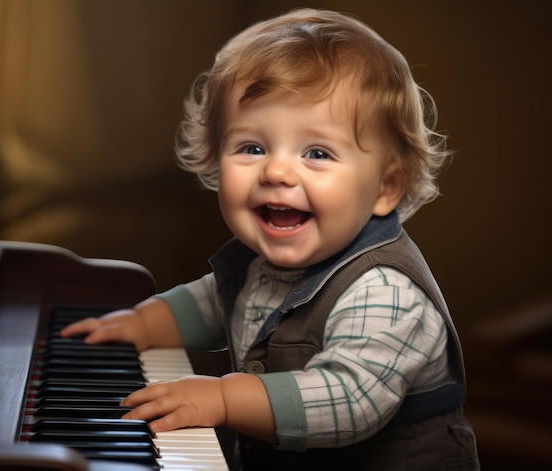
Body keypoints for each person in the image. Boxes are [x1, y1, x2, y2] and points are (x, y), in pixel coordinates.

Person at [61, 8, 479, 470]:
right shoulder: (260, 265)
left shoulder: (386, 292)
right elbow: (215, 303)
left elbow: (349, 400)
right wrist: (143, 323)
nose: (276, 171)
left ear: (385, 188)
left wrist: (224, 397)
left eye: (317, 153)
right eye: (252, 148)